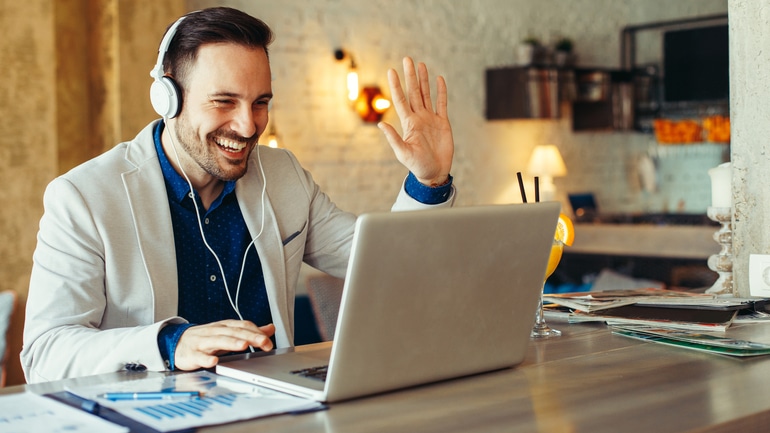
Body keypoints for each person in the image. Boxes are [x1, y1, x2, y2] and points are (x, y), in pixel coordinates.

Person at [21, 6, 455, 383]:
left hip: (275, 412)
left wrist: (429, 180)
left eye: (260, 102)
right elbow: (45, 353)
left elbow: (386, 264)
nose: (248, 126)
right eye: (224, 102)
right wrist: (171, 343)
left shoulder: (284, 175)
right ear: (168, 98)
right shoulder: (82, 197)